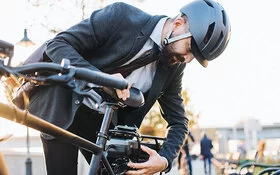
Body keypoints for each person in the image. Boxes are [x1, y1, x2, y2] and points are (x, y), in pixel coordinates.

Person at [19, 0, 230, 174]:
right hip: (64, 107)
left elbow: (179, 121)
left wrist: (165, 160)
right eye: (190, 48)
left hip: (105, 127)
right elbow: (58, 45)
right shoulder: (122, 16)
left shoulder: (174, 66)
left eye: (196, 56)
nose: (188, 59)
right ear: (178, 24)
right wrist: (103, 78)